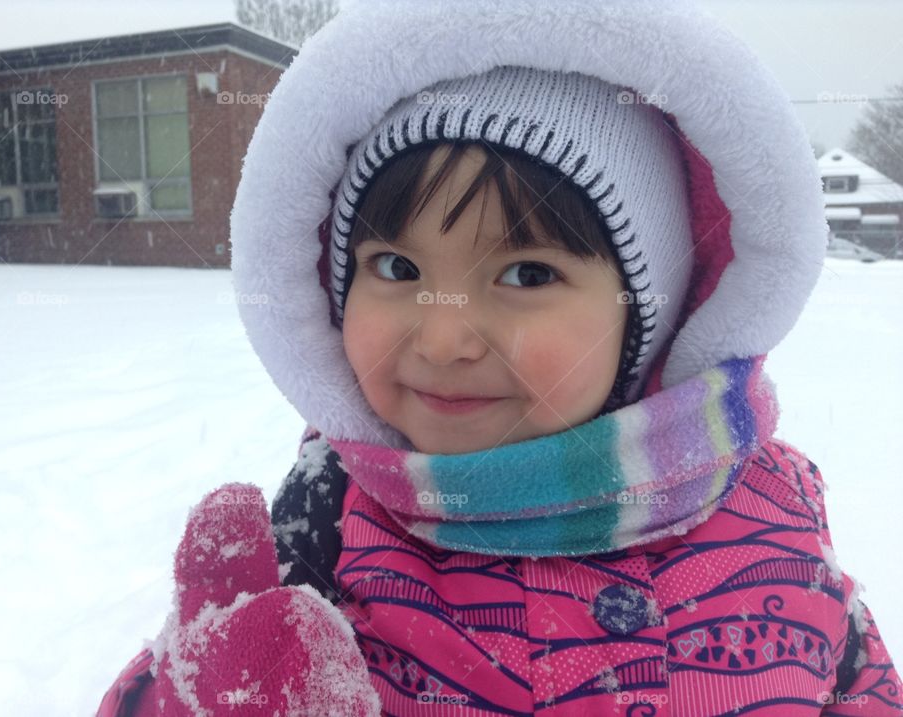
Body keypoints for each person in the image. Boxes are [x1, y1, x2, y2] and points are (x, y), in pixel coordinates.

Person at [97, 1, 903, 714]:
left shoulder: (777, 509)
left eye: (527, 273)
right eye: (398, 269)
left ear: (647, 319)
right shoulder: (321, 544)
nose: (445, 338)